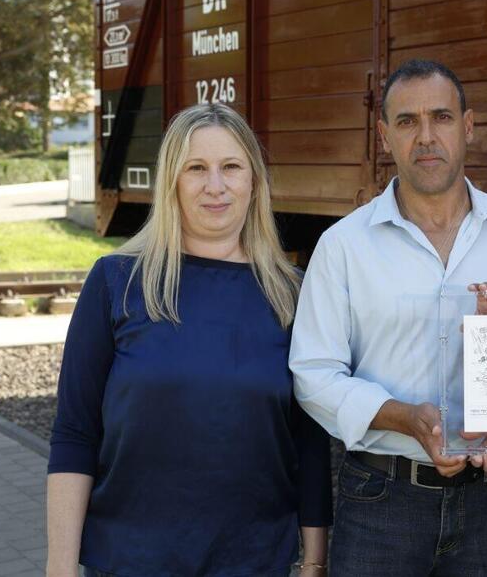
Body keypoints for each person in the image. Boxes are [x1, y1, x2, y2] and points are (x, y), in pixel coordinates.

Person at [289, 59, 487, 576]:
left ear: (469, 126)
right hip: (381, 499)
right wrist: (403, 417)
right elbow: (313, 374)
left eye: (441, 117)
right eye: (407, 121)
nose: (426, 137)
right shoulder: (343, 245)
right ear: (384, 135)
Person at [46, 104, 332, 577]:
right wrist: (60, 568)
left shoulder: (293, 294)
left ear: (254, 180)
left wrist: (314, 562)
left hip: (255, 561)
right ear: (171, 182)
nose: (215, 186)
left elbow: (310, 444)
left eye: (231, 167)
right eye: (196, 168)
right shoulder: (116, 282)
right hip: (129, 560)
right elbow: (75, 434)